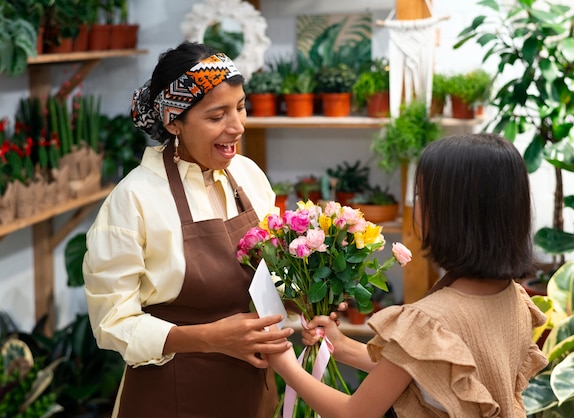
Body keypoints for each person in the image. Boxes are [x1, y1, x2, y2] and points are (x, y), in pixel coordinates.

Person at [268, 133, 549, 417]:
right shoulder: (514, 297)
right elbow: (429, 372)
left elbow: (354, 414)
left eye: (420, 197)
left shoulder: (430, 321)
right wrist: (341, 346)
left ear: (447, 215)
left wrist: (284, 363)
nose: (415, 207)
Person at [82, 41, 294, 418]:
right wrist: (208, 338)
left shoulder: (248, 175)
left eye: (240, 107)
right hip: (172, 397)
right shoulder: (134, 200)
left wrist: (300, 307)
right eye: (217, 116)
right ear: (173, 121)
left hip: (251, 392)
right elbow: (111, 322)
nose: (238, 126)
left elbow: (268, 279)